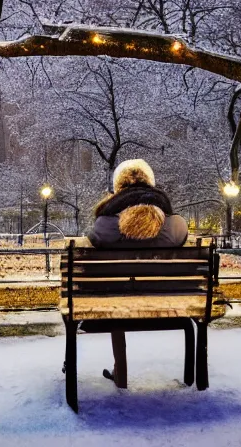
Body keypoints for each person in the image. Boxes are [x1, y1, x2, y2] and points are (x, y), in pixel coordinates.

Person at [88, 159, 188, 388]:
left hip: (115, 304)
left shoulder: (105, 224)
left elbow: (96, 237)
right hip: (169, 302)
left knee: (118, 301)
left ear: (118, 188)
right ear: (150, 184)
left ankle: (120, 373)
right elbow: (181, 233)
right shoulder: (174, 226)